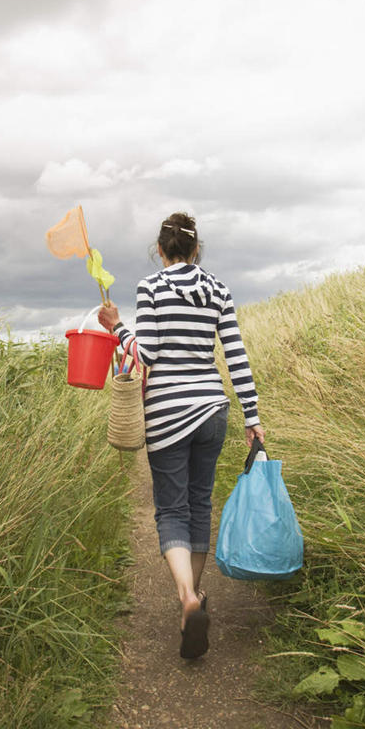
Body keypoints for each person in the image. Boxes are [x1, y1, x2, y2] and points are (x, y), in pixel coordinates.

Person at [98, 212, 264, 659]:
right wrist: (252, 416)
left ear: (161, 249)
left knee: (171, 508)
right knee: (199, 504)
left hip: (168, 413)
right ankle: (196, 596)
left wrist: (116, 327)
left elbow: (147, 351)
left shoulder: (152, 287)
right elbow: (236, 355)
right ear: (196, 249)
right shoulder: (219, 289)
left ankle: (187, 598)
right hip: (213, 409)